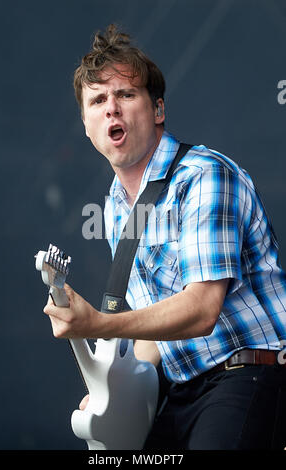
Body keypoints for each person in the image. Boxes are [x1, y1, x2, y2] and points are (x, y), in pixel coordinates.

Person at [43, 24, 286, 450]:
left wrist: (100, 324)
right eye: (98, 101)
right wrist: (111, 392)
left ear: (157, 110)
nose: (111, 109)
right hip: (183, 389)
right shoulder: (115, 208)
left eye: (126, 95)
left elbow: (202, 309)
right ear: (86, 126)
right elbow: (151, 337)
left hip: (251, 373)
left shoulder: (204, 176)